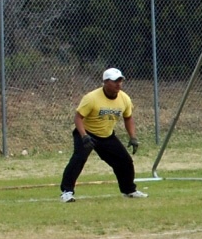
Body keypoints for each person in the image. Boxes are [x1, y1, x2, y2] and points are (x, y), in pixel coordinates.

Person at [59, 68, 147, 203]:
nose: (118, 84)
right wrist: (84, 136)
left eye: (120, 81)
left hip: (107, 135)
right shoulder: (91, 98)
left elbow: (128, 118)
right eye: (115, 81)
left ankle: (129, 190)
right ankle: (67, 192)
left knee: (125, 161)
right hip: (87, 133)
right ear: (105, 82)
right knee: (79, 159)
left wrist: (133, 137)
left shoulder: (124, 99)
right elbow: (78, 118)